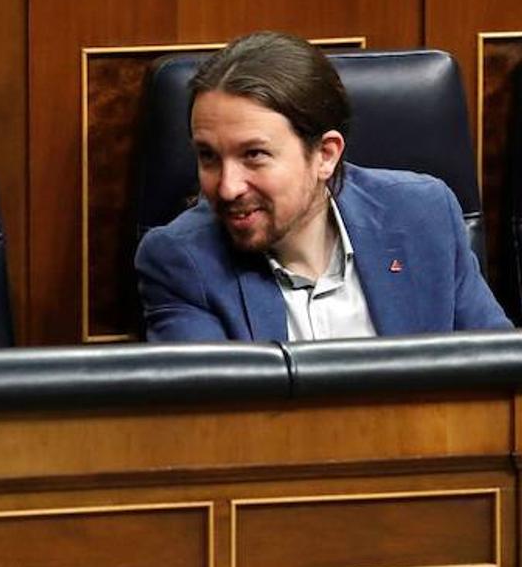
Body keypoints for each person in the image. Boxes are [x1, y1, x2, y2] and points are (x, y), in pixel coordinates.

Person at [134, 30, 513, 342]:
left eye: (254, 155)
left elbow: (498, 379)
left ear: (325, 155)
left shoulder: (424, 216)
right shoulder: (180, 261)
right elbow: (211, 422)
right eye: (209, 157)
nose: (228, 187)